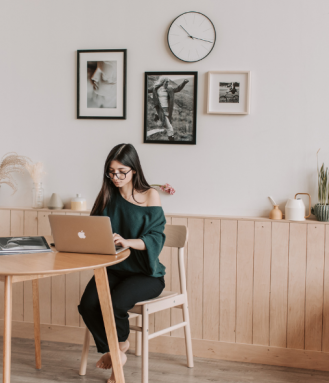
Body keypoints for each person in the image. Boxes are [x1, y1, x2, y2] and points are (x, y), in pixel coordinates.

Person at [78, 143, 166, 383]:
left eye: (121, 172)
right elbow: (92, 229)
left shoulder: (150, 195)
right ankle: (118, 348)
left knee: (115, 304)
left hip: (146, 273)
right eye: (111, 172)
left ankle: (117, 351)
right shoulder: (107, 195)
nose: (115, 177)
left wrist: (127, 242)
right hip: (114, 269)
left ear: (134, 170)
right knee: (87, 305)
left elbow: (156, 237)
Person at [148, 76, 190, 141]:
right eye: (166, 82)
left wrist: (184, 82)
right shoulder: (155, 88)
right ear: (162, 82)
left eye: (168, 82)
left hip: (168, 110)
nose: (167, 83)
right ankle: (171, 140)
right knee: (169, 127)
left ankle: (157, 118)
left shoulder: (170, 88)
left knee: (167, 124)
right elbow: (146, 90)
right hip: (160, 109)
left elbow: (178, 89)